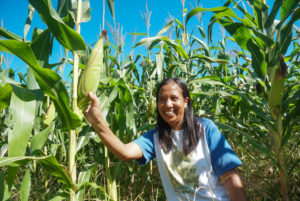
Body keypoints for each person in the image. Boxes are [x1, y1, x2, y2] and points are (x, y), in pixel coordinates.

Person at [84, 77, 248, 201]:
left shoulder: (205, 129)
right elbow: (124, 153)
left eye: (174, 98)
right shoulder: (156, 137)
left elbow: (230, 177)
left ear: (185, 102)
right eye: (161, 99)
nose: (167, 104)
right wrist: (98, 122)